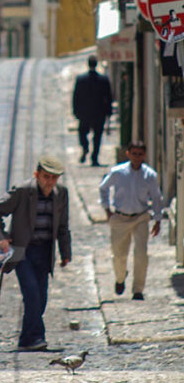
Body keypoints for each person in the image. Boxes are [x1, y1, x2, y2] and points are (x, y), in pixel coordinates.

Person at [0, 155, 72, 351]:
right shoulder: (22, 191)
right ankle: (36, 337)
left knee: (41, 298)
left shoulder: (61, 193)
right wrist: (1, 237)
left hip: (45, 252)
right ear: (37, 175)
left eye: (54, 178)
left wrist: (66, 252)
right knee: (32, 295)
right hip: (23, 252)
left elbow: (62, 225)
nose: (50, 182)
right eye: (46, 177)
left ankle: (26, 340)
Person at [98, 141, 163, 301]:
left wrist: (157, 220)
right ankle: (120, 278)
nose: (137, 157)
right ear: (128, 154)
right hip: (120, 218)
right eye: (134, 153)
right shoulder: (118, 172)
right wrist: (107, 209)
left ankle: (138, 290)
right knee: (119, 255)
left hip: (140, 217)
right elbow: (103, 188)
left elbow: (156, 197)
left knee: (141, 254)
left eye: (140, 154)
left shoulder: (150, 175)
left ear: (144, 155)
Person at [72, 55, 113, 166]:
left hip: (84, 113)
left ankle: (85, 147)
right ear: (96, 64)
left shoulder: (81, 79)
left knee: (82, 133)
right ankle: (94, 158)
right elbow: (109, 97)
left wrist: (75, 111)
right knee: (97, 136)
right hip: (99, 113)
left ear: (88, 64)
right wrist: (109, 112)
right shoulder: (103, 80)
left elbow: (76, 96)